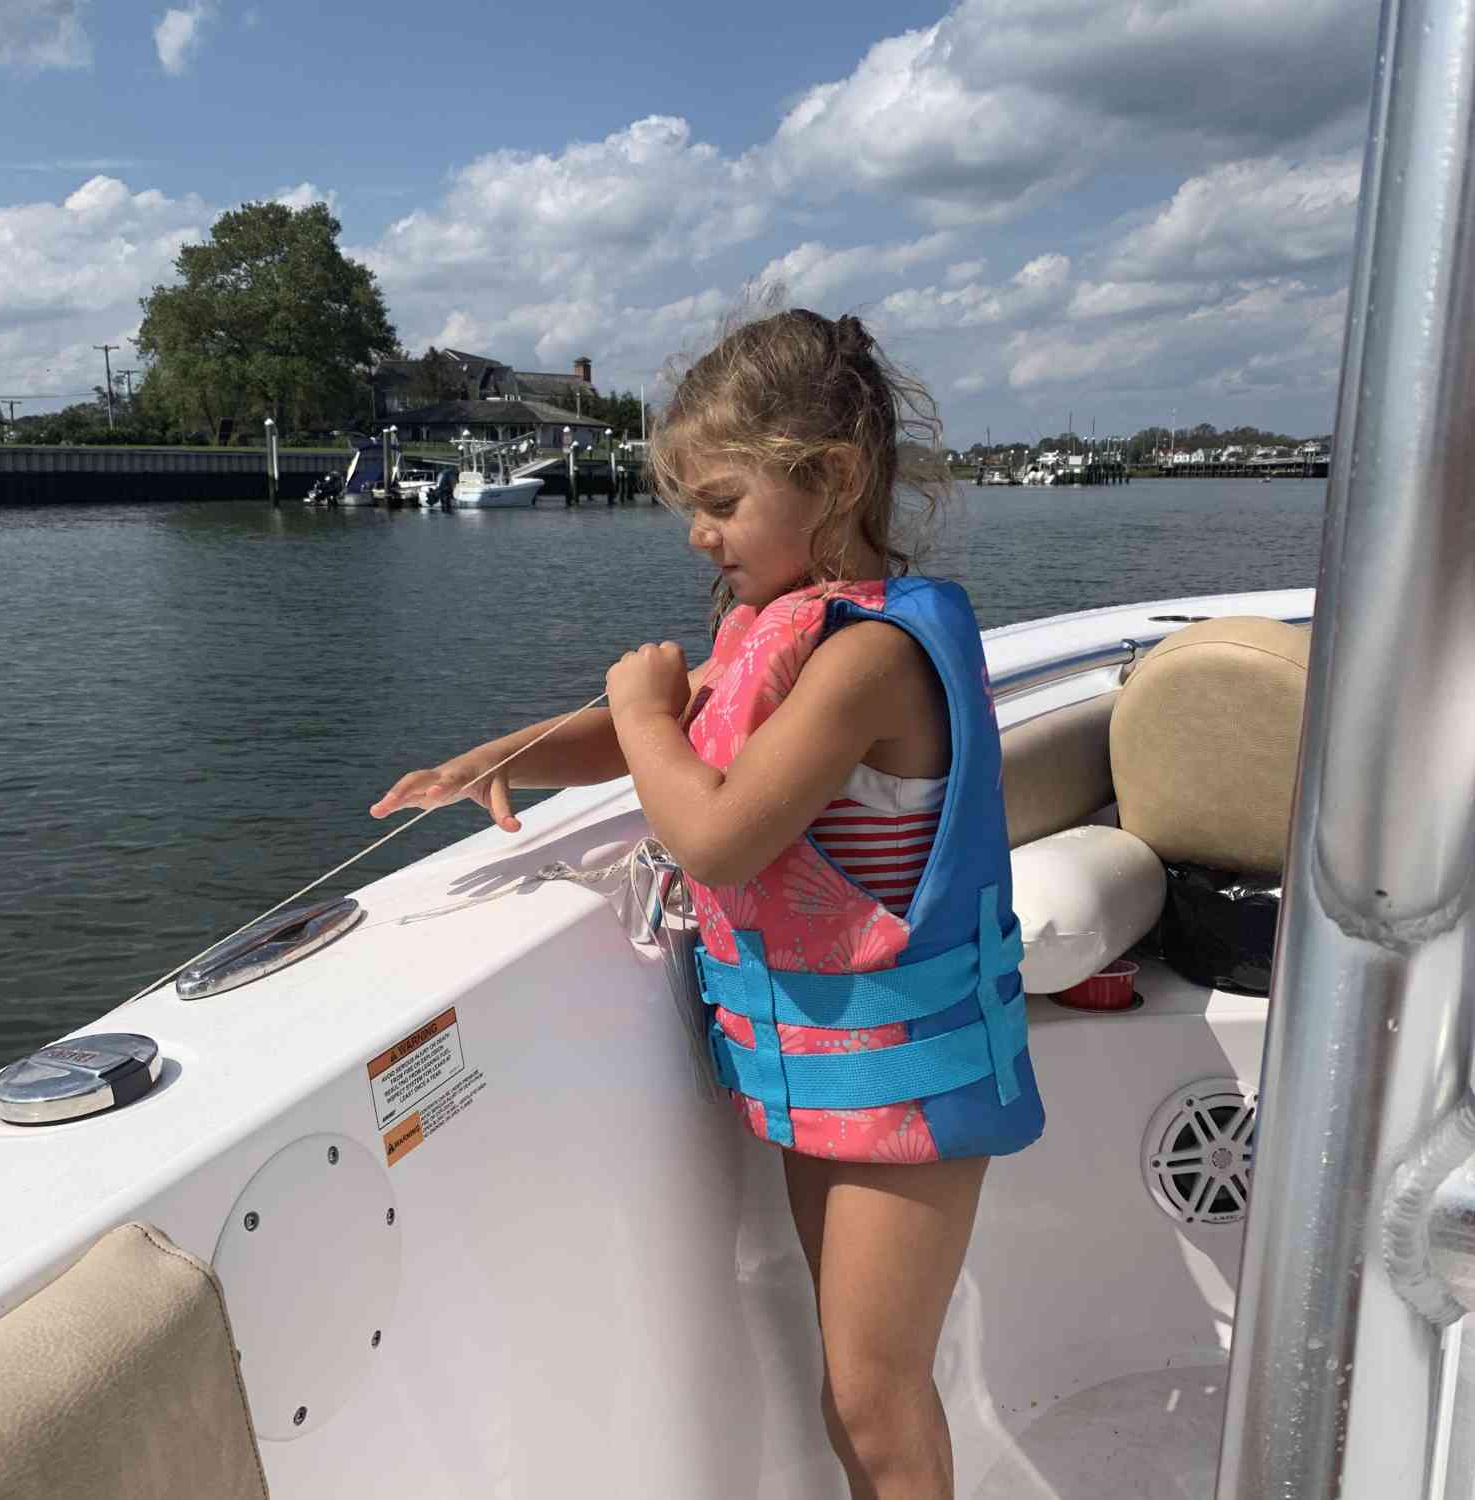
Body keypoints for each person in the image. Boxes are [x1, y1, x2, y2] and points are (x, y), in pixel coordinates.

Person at [369, 306, 1045, 1500]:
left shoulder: (869, 660)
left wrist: (635, 707)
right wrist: (505, 755)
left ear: (830, 479)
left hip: (913, 1084)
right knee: (851, 1389)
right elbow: (689, 731)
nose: (698, 535)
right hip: (824, 1068)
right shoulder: (776, 633)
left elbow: (720, 835)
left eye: (723, 502)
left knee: (874, 1398)